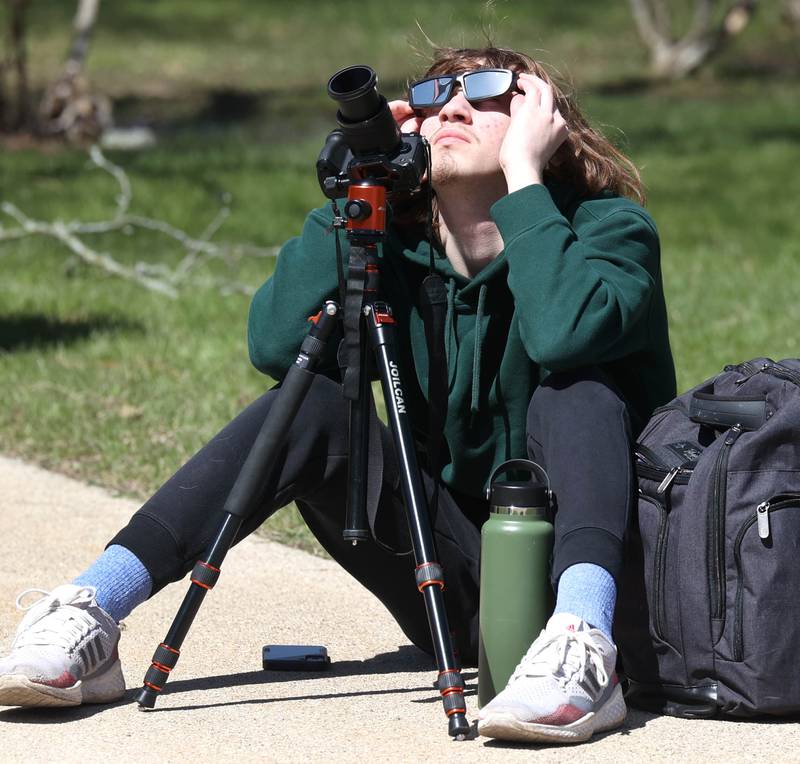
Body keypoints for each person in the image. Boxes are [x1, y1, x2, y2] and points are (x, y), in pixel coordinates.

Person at [0, 45, 675, 744]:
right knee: (315, 404)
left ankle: (581, 645)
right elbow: (274, 345)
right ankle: (93, 613)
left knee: (579, 390)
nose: (452, 105)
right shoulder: (392, 244)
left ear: (545, 120)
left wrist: (525, 181)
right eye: (438, 91)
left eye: (487, 92)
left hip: (612, 581)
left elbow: (566, 334)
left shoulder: (610, 231)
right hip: (456, 585)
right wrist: (360, 192)